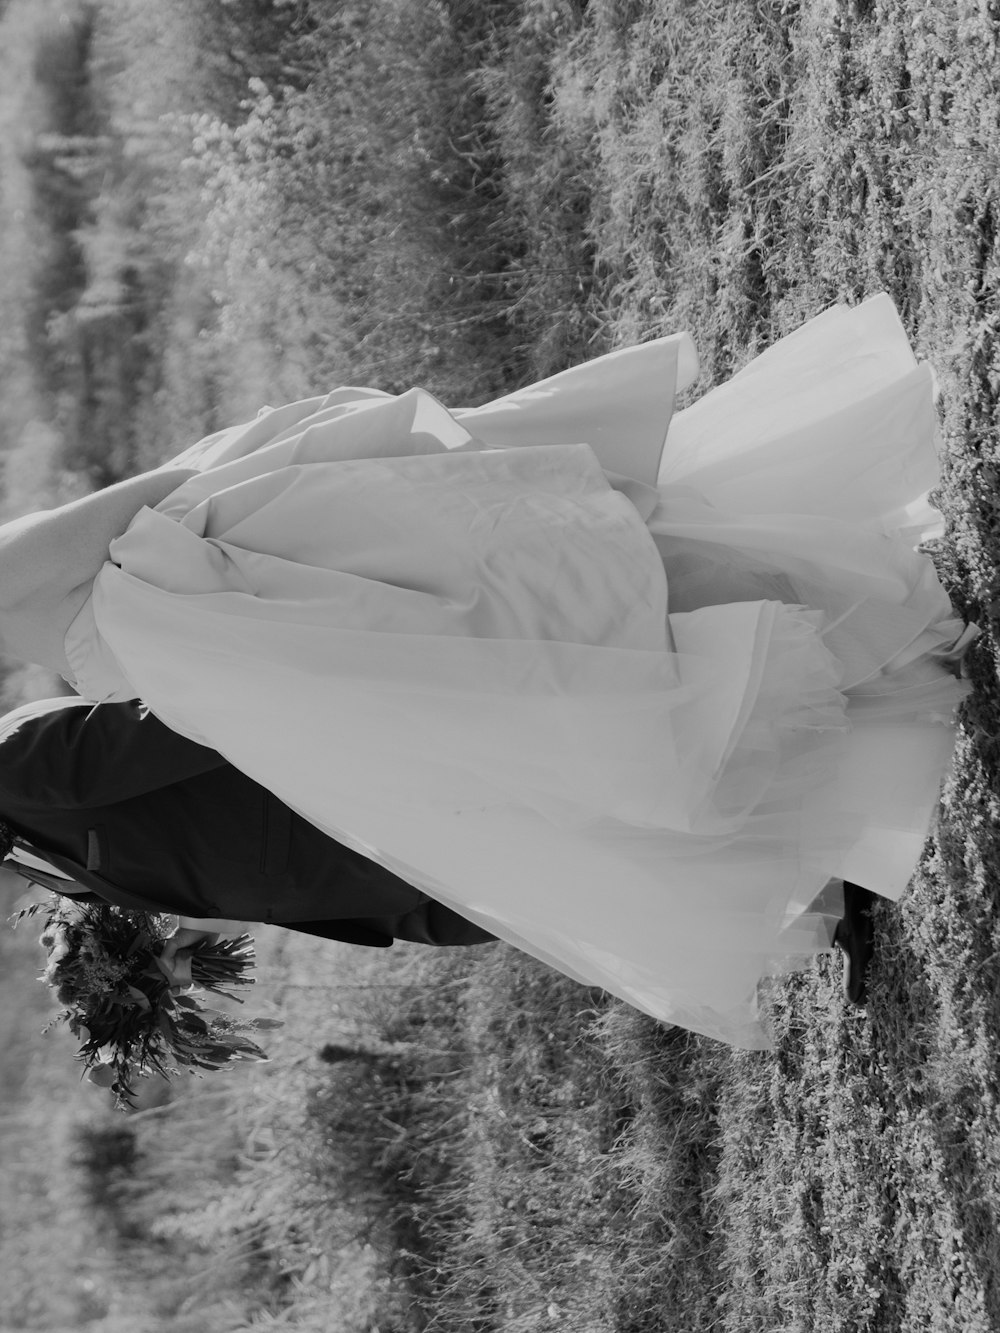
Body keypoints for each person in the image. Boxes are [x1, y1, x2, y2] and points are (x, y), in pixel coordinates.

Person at [0, 293, 974, 1047]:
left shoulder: (21, 763)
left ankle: (846, 688)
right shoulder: (33, 835)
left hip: (291, 692)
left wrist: (338, 696)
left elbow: (173, 684)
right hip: (318, 773)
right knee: (590, 775)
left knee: (588, 686)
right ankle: (822, 842)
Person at [0, 695, 495, 975]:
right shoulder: (12, 847)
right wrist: (199, 925)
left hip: (380, 830)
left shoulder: (13, 766)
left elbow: (203, 717)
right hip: (355, 897)